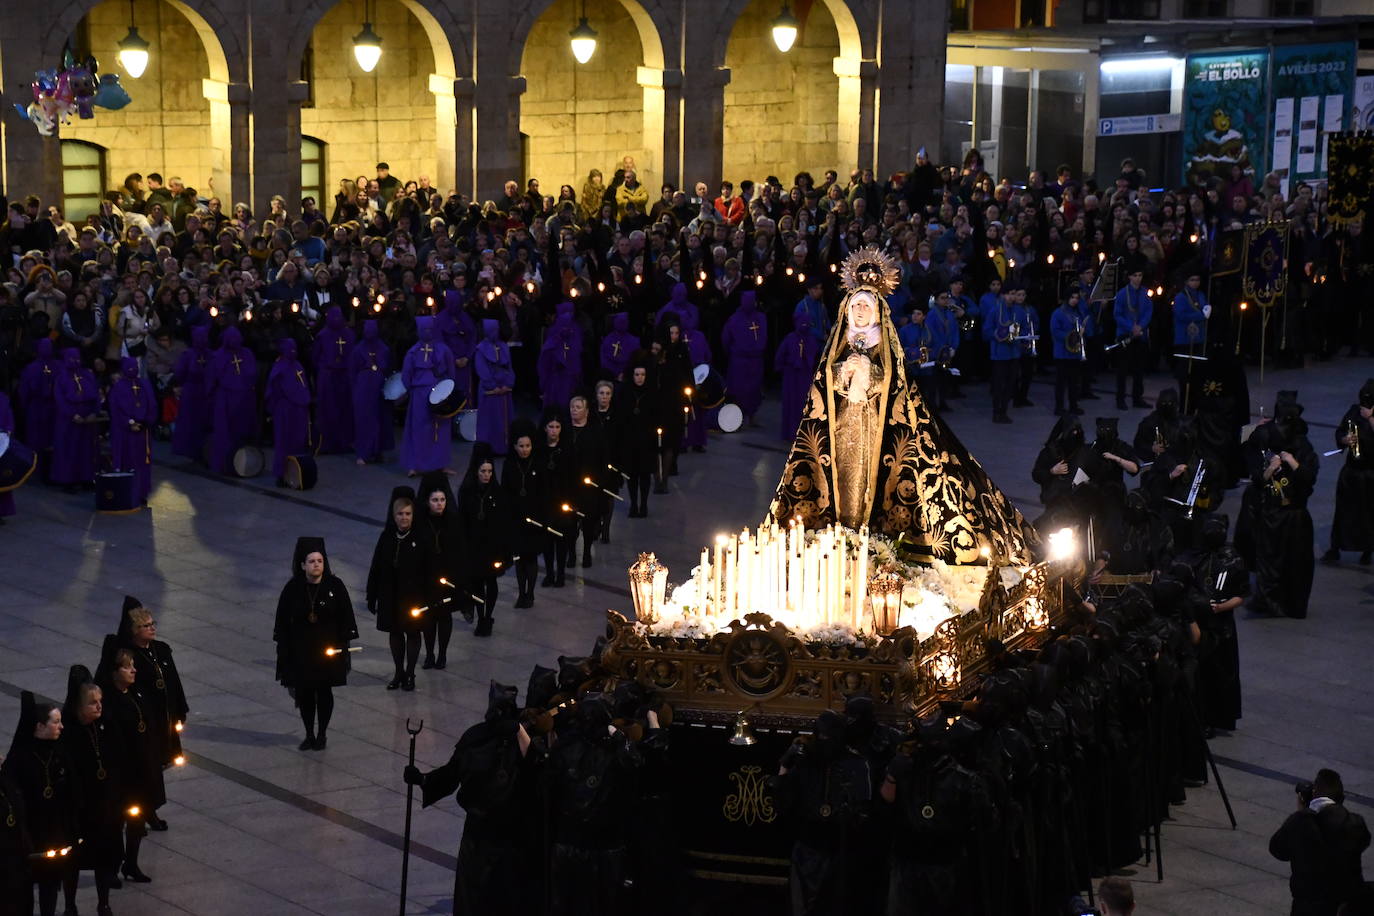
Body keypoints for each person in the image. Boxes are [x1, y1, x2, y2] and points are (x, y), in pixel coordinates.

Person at [773, 247, 1034, 561]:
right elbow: (823, 383)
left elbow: (897, 383)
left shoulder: (885, 343)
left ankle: (877, 536)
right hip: (841, 432)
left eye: (865, 307)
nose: (858, 312)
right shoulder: (838, 344)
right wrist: (843, 372)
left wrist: (870, 372)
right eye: (854, 306)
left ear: (877, 311)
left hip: (879, 433)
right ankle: (840, 528)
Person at [402, 682, 540, 916]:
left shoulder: (521, 739)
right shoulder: (477, 738)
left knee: (504, 891)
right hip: (481, 829)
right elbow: (451, 774)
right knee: (476, 891)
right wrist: (423, 780)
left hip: (511, 832)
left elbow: (538, 772)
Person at [274, 537, 358, 750]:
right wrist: (284, 648)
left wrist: (343, 644)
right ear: (303, 565)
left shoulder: (335, 586)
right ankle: (309, 733)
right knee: (305, 694)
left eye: (320, 561)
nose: (316, 565)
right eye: (311, 561)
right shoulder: (293, 588)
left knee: (324, 692)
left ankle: (322, 733)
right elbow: (282, 620)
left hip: (326, 650)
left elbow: (345, 615)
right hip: (302, 651)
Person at [115, 596, 188, 831]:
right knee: (148, 769)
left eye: (152, 623)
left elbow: (174, 681)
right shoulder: (129, 657)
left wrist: (180, 709)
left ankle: (148, 809)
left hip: (165, 718)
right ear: (134, 630)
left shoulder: (161, 650)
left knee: (159, 765)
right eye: (145, 626)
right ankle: (147, 811)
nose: (152, 628)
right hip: (147, 722)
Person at [2, 692, 76, 916]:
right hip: (30, 833)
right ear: (39, 726)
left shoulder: (60, 752)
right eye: (55, 722)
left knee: (51, 884)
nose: (61, 727)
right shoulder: (20, 759)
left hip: (54, 830)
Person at [59, 667, 124, 916]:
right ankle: (70, 904)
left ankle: (103, 901)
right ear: (79, 705)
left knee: (105, 857)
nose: (99, 707)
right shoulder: (68, 732)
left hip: (105, 806)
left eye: (100, 701)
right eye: (92, 703)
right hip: (79, 808)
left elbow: (117, 760)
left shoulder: (105, 726)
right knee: (73, 860)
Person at [93, 641, 156, 885]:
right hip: (119, 774)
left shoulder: (135, 693)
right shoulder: (107, 702)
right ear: (114, 672)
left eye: (133, 666)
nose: (133, 671)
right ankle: (111, 867)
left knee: (137, 819)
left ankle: (131, 863)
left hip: (139, 771)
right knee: (115, 822)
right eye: (127, 667)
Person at [1270, 769, 1370, 916]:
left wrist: (1303, 811)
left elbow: (1277, 849)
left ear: (1314, 792)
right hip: (1346, 906)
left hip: (1308, 906)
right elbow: (1363, 841)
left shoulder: (1299, 822)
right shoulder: (1356, 823)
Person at [1250, 405, 1318, 618]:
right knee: (1269, 561)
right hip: (1271, 514)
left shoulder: (1304, 449)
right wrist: (1271, 468)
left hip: (1295, 516)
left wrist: (1293, 463)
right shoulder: (1266, 446)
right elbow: (1257, 479)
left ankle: (1293, 604)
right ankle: (1267, 602)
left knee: (1296, 562)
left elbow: (1309, 479)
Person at [1184, 514, 1247, 732]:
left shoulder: (1232, 560)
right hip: (1200, 624)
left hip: (1221, 626)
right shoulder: (1193, 558)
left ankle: (1217, 718)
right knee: (1200, 673)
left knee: (1220, 674)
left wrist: (1221, 607)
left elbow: (1241, 594)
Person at [366, 486, 429, 690]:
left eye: (408, 514)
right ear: (394, 516)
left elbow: (429, 571)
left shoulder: (421, 538)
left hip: (413, 596)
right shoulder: (387, 537)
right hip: (390, 594)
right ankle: (399, 672)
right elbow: (376, 566)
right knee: (394, 632)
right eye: (400, 514)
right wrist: (371, 595)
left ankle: (410, 673)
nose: (404, 518)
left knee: (412, 633)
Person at [458, 445, 511, 636]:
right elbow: (462, 521)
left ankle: (488, 616)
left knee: (492, 582)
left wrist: (504, 550)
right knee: (477, 584)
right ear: (476, 471)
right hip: (474, 546)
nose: (487, 475)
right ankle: (480, 616)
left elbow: (504, 522)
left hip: (492, 547)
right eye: (483, 471)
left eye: (490, 471)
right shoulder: (466, 492)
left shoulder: (497, 492)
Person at [1322, 379, 1374, 566]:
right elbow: (1340, 431)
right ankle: (1336, 547)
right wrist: (1344, 439)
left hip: (1370, 473)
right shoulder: (1353, 411)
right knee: (1343, 511)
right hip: (1352, 470)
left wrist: (1370, 419)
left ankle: (1368, 549)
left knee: (1368, 513)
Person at [417, 473, 467, 663]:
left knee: (444, 616)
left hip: (448, 577)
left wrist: (458, 579)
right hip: (428, 577)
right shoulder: (420, 523)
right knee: (429, 618)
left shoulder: (453, 521)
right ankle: (429, 654)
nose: (439, 504)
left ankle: (443, 654)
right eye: (435, 500)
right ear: (427, 501)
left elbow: (460, 552)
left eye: (442, 500)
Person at [399, 316, 455, 476]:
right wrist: (413, 390)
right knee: (419, 429)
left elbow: (451, 372)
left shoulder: (443, 350)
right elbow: (406, 375)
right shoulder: (413, 352)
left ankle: (441, 463)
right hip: (420, 394)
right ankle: (415, 464)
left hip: (440, 392)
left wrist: (448, 389)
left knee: (441, 429)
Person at [206, 326, 258, 476]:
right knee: (225, 431)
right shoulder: (218, 356)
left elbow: (252, 373)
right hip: (226, 398)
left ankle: (244, 464)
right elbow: (213, 378)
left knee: (243, 430)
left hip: (244, 397)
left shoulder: (247, 353)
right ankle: (225, 463)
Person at [503, 422, 544, 609]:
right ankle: (521, 593)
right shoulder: (509, 464)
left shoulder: (538, 463)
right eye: (521, 446)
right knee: (520, 559)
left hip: (535, 518)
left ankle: (531, 593)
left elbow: (545, 491)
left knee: (532, 558)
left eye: (528, 446)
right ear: (514, 446)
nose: (525, 450)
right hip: (515, 519)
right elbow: (505, 491)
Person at [564, 394, 606, 569]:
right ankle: (571, 553)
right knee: (569, 522)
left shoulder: (594, 432)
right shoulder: (565, 431)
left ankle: (587, 551)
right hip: (568, 484)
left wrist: (599, 481)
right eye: (572, 406)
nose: (574, 410)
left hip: (588, 485)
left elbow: (602, 458)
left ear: (587, 411)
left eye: (578, 407)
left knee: (588, 521)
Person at [51, 347, 100, 492]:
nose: (75, 361)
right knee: (69, 450)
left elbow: (96, 395)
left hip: (87, 419)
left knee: (86, 450)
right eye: (72, 358)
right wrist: (72, 415)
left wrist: (94, 413)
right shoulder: (61, 377)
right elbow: (60, 400)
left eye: (77, 358)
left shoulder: (87, 375)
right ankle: (68, 480)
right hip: (69, 421)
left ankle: (86, 478)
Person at [537, 409, 575, 586]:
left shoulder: (567, 449)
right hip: (544, 501)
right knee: (546, 541)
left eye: (557, 427)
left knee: (561, 539)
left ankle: (560, 573)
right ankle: (549, 573)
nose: (553, 430)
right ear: (545, 428)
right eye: (550, 427)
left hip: (562, 501)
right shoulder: (539, 449)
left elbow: (573, 476)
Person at [348, 318, 393, 465]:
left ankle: (379, 451)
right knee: (364, 420)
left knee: (381, 419)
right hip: (363, 388)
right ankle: (364, 452)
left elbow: (388, 368)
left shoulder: (384, 348)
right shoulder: (358, 349)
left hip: (379, 386)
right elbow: (352, 371)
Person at [313, 306, 355, 454]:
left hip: (341, 375)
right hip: (329, 376)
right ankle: (328, 442)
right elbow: (316, 356)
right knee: (328, 409)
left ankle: (343, 441)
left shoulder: (348, 334)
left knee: (344, 409)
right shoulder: (323, 335)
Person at [721, 291, 767, 425]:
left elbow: (764, 337)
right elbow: (726, 339)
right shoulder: (734, 319)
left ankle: (751, 415)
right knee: (738, 389)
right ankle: (737, 418)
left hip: (755, 359)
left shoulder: (761, 318)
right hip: (739, 360)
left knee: (754, 389)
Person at [983, 282, 1026, 424]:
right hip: (999, 353)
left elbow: (1023, 328)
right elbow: (986, 330)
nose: (1011, 297)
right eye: (1009, 294)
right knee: (998, 384)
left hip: (1014, 352)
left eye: (1013, 294)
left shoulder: (1018, 311)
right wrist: (998, 335)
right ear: (1002, 295)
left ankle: (1004, 411)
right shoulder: (995, 311)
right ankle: (996, 412)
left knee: (1010, 384)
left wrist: (1023, 339)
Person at [170, 326, 213, 461]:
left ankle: (196, 449)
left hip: (196, 390)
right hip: (200, 390)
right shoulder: (205, 354)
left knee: (195, 420)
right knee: (195, 420)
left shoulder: (191, 354)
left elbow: (179, 373)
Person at [776, 312, 820, 440]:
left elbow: (815, 357)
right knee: (790, 403)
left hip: (804, 376)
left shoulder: (811, 340)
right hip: (791, 376)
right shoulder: (790, 338)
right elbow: (781, 355)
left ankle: (800, 432)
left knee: (802, 404)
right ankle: (788, 432)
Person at [1113, 268, 1152, 409]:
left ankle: (1137, 398)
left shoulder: (1145, 293)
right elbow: (1117, 315)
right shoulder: (1122, 293)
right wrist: (1131, 327)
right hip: (1125, 334)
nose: (1138, 278)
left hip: (1140, 334)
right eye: (1135, 275)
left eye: (1140, 274)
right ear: (1129, 276)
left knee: (1139, 369)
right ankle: (1120, 399)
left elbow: (1148, 312)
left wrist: (1140, 327)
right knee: (1122, 369)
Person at [475, 318, 515, 455]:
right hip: (490, 389)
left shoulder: (503, 346)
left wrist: (508, 383)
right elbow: (481, 369)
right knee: (490, 420)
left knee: (504, 419)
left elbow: (509, 367)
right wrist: (492, 386)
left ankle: (504, 447)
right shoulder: (480, 349)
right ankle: (489, 448)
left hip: (503, 389)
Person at [592, 380, 625, 543]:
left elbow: (621, 440)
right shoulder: (590, 414)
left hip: (612, 461)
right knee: (595, 496)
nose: (604, 397)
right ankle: (597, 524)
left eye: (607, 393)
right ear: (596, 395)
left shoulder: (617, 415)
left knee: (609, 495)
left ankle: (606, 529)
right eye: (601, 393)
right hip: (594, 461)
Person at [1050, 290, 1087, 416]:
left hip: (1074, 352)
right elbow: (1055, 331)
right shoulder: (1058, 313)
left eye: (1076, 298)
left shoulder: (1078, 313)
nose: (1074, 300)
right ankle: (1059, 407)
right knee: (1061, 382)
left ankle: (1073, 405)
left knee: (1074, 381)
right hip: (1062, 352)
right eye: (1072, 297)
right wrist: (1071, 336)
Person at [600, 312, 637, 381]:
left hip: (627, 376)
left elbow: (635, 360)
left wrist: (624, 372)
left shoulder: (634, 341)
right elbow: (604, 360)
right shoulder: (607, 339)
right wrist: (614, 373)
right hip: (609, 376)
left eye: (624, 322)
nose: (622, 324)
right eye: (620, 322)